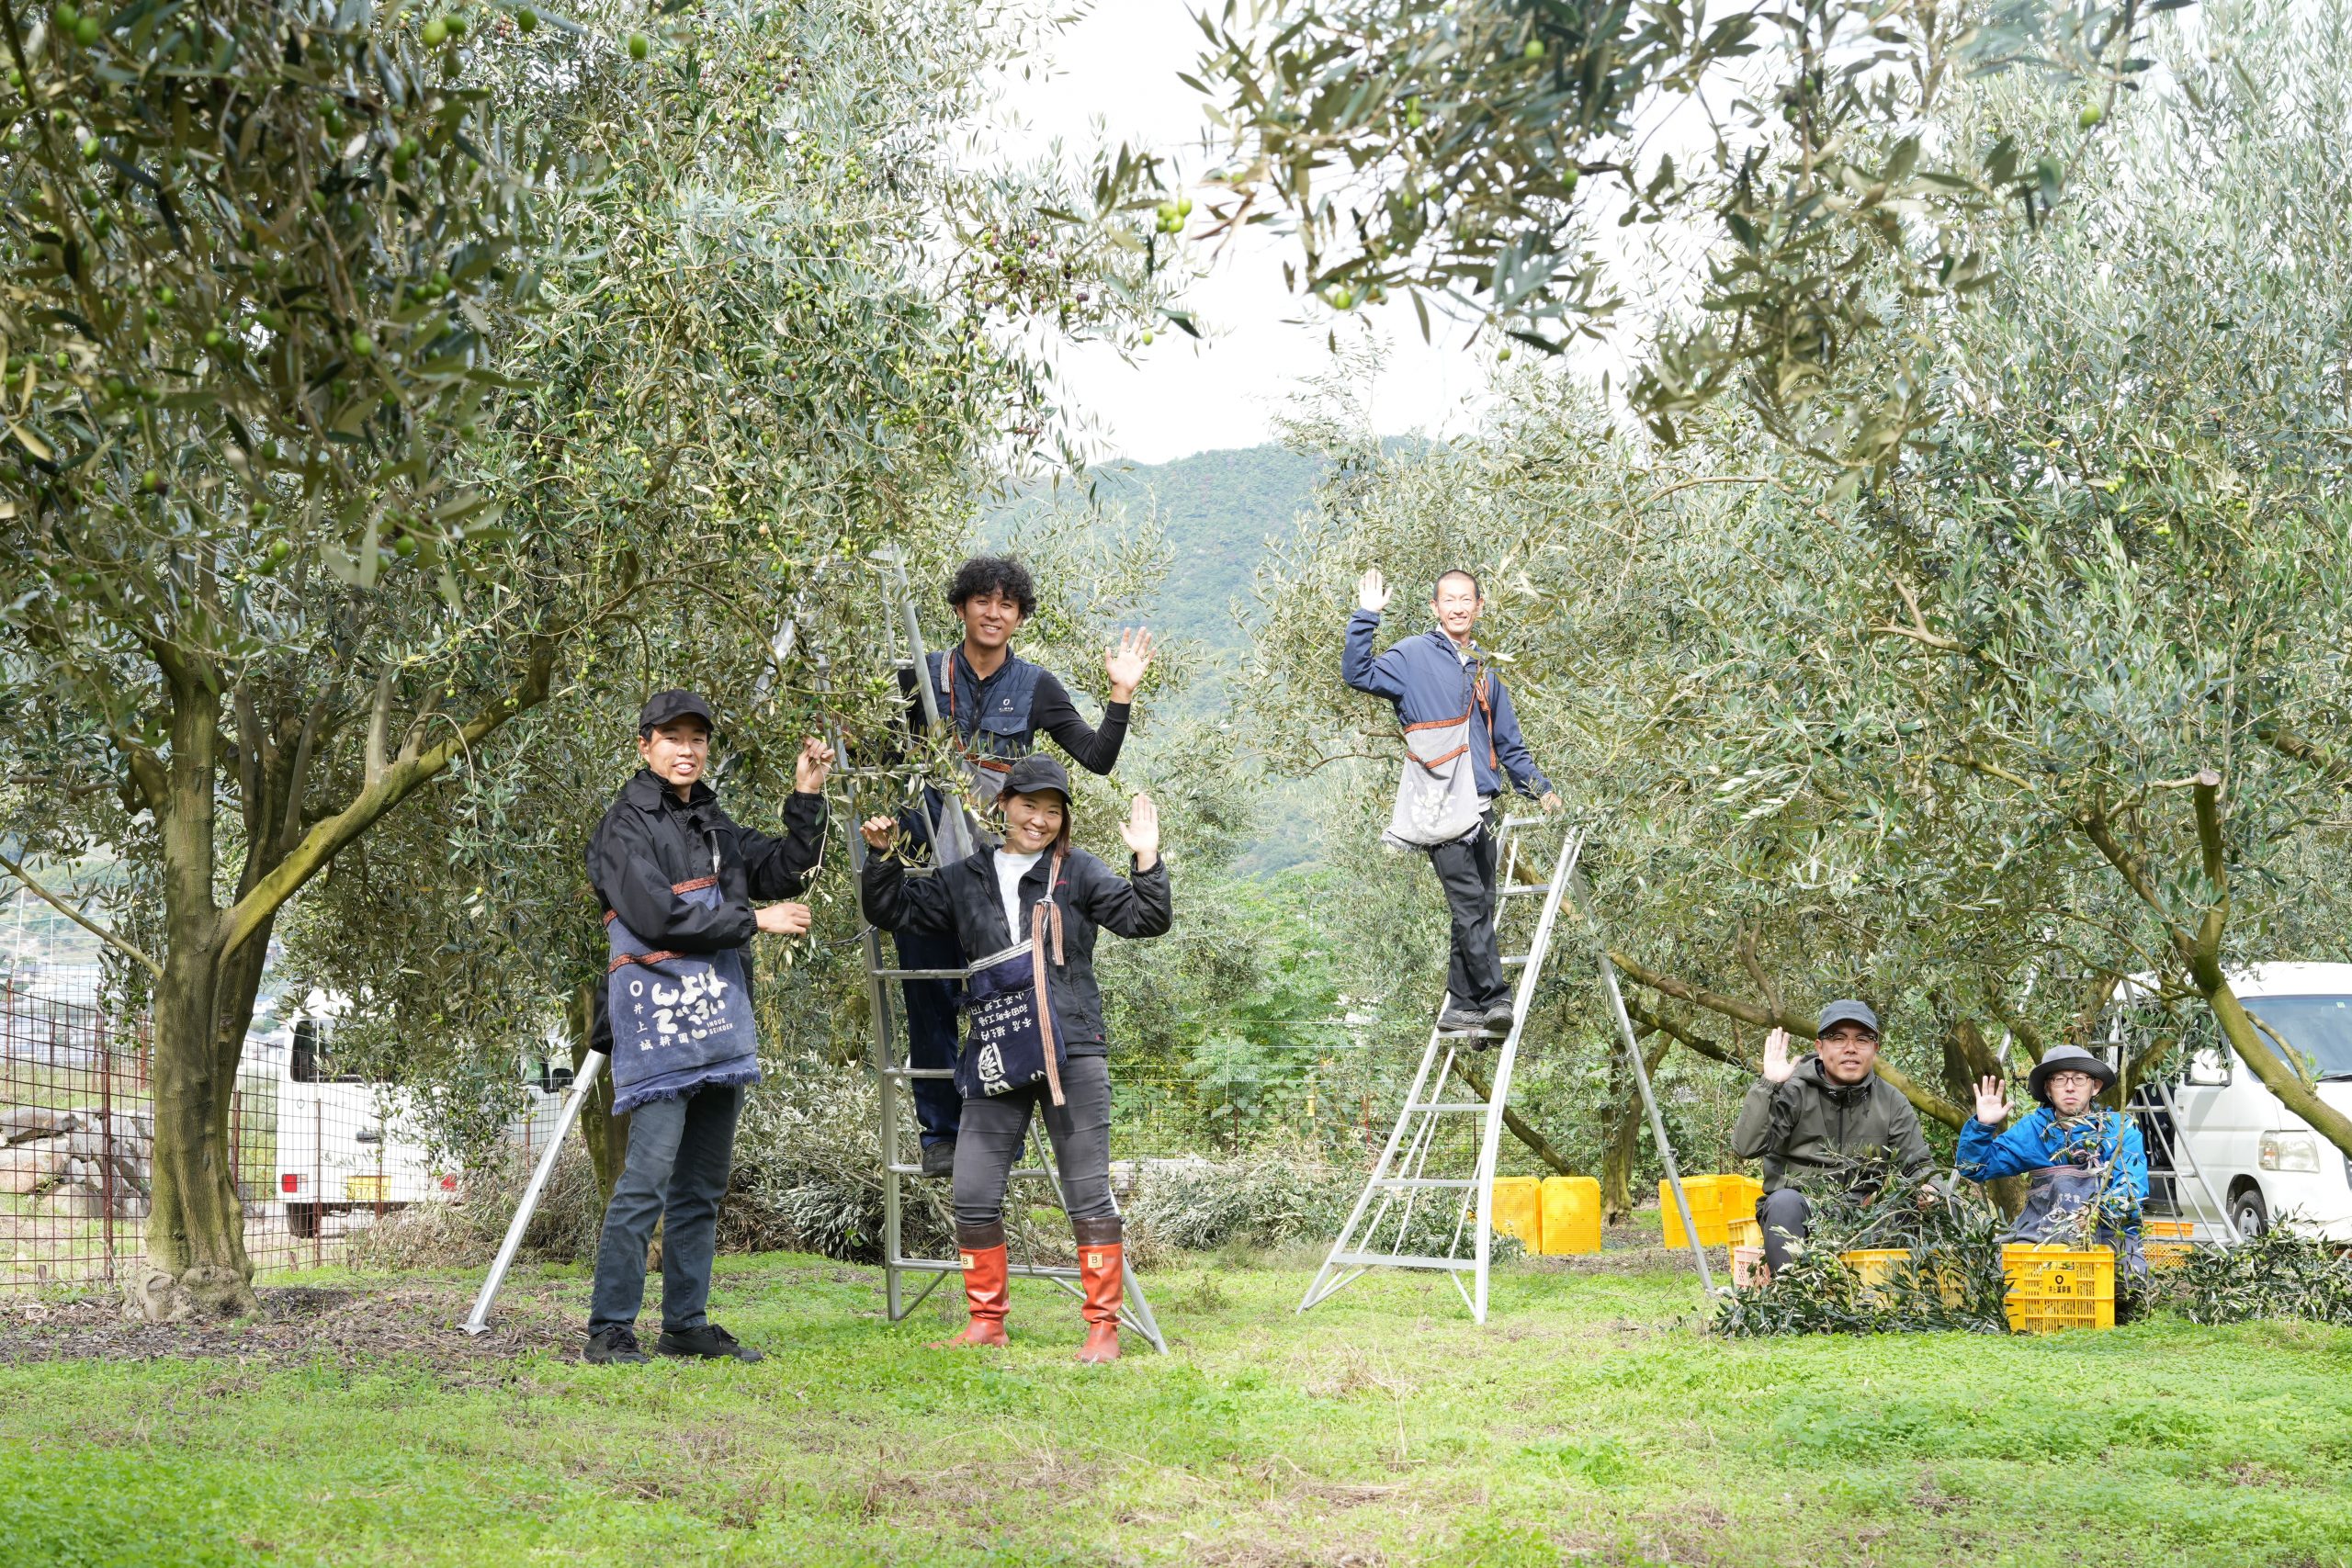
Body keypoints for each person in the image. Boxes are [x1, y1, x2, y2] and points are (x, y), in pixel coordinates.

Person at [857, 754, 1170, 1363]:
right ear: (1002, 805)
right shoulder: (963, 877)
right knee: (973, 1188)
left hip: (1072, 1049)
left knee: (1086, 1192)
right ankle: (986, 1321)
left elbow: (1146, 917)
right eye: (1030, 805)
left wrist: (1146, 857)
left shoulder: (1078, 872)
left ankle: (1102, 1328)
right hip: (998, 1046)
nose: (1041, 819)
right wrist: (882, 857)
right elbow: (891, 910)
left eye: (1054, 810)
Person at [581, 691, 831, 1365]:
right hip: (658, 1026)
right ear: (644, 744)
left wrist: (805, 795)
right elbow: (656, 915)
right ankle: (609, 1328)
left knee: (702, 1183)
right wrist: (756, 919)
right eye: (672, 736)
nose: (686, 748)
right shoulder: (623, 827)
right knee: (647, 1177)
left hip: (719, 1022)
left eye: (698, 737)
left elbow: (781, 865)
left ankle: (685, 1322)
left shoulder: (713, 822)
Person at [888, 555, 1154, 1178]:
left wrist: (1120, 693)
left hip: (999, 875)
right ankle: (939, 1135)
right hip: (929, 868)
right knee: (927, 992)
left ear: (1019, 617)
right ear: (961, 607)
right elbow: (877, 755)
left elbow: (1096, 756)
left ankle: (993, 1130)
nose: (994, 612)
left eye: (1007, 604)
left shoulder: (1036, 686)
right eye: (983, 600)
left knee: (999, 995)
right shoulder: (922, 678)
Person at [1343, 567, 1562, 1035]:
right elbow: (1356, 672)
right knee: (1470, 905)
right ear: (1435, 608)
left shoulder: (1485, 668)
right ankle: (1496, 998)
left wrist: (1540, 789)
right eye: (1450, 599)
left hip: (1481, 803)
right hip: (1440, 802)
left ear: (1479, 607)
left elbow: (1508, 743)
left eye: (1467, 599)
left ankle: (1461, 1006)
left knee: (1478, 904)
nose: (1459, 606)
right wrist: (1367, 616)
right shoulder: (1412, 656)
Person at [1730, 999, 1936, 1278]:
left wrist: (1931, 1189)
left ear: (1875, 1050)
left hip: (1864, 1219)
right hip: (1800, 1212)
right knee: (1783, 1202)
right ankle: (1795, 1303)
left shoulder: (1891, 1101)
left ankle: (1893, 1305)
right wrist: (1769, 1085)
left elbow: (1918, 1165)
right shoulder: (1793, 1091)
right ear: (1820, 1047)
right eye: (1838, 1038)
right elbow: (1746, 1147)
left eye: (1862, 1040)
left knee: (1923, 1204)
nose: (1850, 1048)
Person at [1959, 1044, 2149, 1269]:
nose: (2070, 1087)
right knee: (2009, 1276)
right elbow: (1973, 1167)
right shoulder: (2033, 1130)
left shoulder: (2120, 1129)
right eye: (2059, 1079)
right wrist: (1982, 1126)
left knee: (2129, 1280)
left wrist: (2091, 1216)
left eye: (2079, 1078)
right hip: (2040, 1239)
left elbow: (2130, 1194)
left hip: (2108, 1240)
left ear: (2095, 1087)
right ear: (2048, 1089)